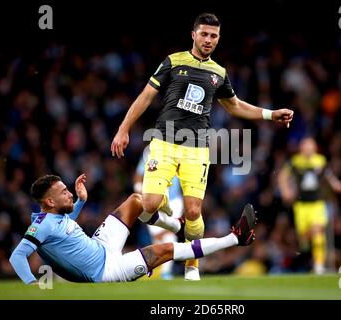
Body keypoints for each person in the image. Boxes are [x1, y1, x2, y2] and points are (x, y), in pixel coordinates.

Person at [110, 12, 293, 280]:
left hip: (197, 148)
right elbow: (147, 95)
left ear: (218, 39)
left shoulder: (219, 73)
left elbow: (235, 106)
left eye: (214, 36)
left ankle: (191, 266)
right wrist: (123, 128)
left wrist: (270, 113)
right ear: (193, 34)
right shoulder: (173, 61)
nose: (208, 40)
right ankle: (174, 224)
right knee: (148, 205)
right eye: (204, 34)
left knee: (194, 210)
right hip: (163, 142)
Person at [9, 174, 256, 284]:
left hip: (102, 245)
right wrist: (32, 284)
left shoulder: (52, 219)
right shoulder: (39, 227)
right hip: (104, 271)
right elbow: (17, 255)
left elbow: (64, 225)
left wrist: (81, 201)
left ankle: (176, 224)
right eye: (63, 191)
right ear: (49, 202)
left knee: (137, 201)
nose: (68, 192)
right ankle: (236, 238)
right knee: (165, 250)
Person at [278, 137, 341, 274]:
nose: (308, 149)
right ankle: (308, 252)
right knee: (304, 239)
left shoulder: (320, 160)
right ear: (301, 148)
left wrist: (335, 184)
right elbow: (282, 176)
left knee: (318, 231)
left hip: (317, 204)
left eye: (311, 146)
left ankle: (319, 266)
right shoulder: (295, 161)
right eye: (306, 146)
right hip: (301, 205)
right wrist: (285, 190)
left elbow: (328, 175)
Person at [134, 146, 184, 279]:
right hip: (153, 200)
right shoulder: (150, 151)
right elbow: (138, 176)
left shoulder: (178, 150)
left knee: (169, 234)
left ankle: (166, 272)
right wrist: (140, 191)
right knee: (158, 238)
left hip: (174, 201)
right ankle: (160, 270)